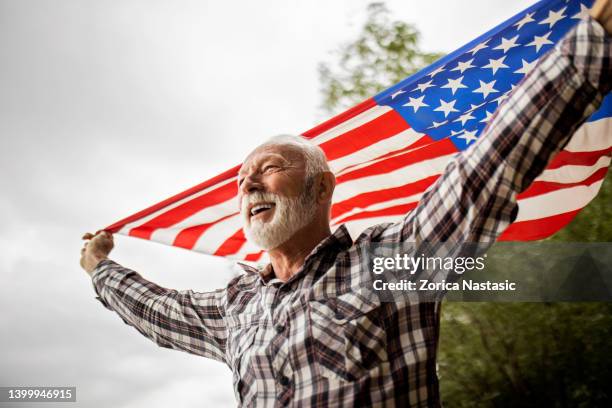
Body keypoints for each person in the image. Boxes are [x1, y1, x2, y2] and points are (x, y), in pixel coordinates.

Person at [80, 1, 612, 406]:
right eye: (242, 180)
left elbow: (485, 171)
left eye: (269, 168)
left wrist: (589, 42)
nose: (248, 186)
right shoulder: (236, 307)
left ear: (322, 187)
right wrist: (100, 268)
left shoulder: (393, 260)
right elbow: (158, 311)